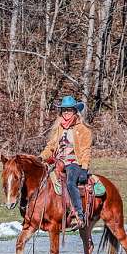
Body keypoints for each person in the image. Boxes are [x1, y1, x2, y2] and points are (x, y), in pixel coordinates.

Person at [39, 95, 92, 229]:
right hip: (57, 161)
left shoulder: (83, 130)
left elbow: (86, 150)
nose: (66, 113)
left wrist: (84, 168)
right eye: (64, 110)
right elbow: (50, 147)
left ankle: (79, 215)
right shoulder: (59, 128)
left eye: (69, 110)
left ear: (75, 111)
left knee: (70, 182)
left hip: (74, 163)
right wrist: (41, 157)